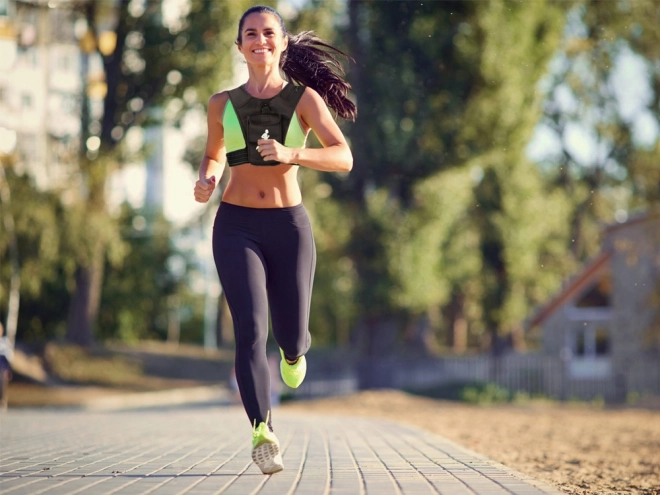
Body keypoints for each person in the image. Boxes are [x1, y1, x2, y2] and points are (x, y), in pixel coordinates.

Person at [193, 5, 355, 475]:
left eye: (268, 33)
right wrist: (207, 179)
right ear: (239, 46)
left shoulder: (304, 99)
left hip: (289, 226)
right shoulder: (220, 103)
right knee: (249, 328)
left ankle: (294, 350)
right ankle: (262, 430)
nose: (260, 39)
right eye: (250, 34)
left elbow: (343, 156)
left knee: (289, 332)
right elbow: (212, 154)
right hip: (235, 225)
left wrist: (292, 153)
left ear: (282, 44)